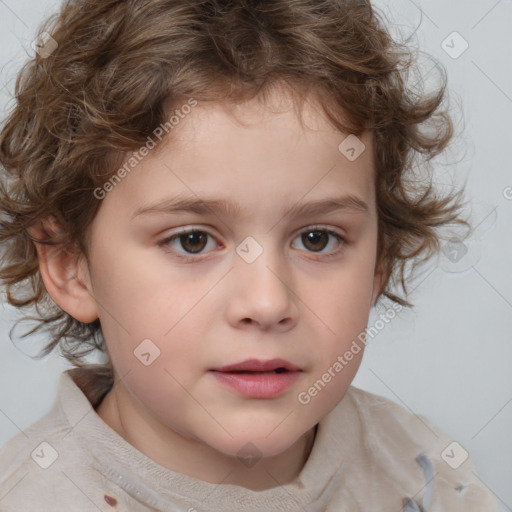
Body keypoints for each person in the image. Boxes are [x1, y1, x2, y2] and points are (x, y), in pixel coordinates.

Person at [0, 0, 502, 510]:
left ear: (379, 263)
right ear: (71, 267)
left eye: (317, 239)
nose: (266, 302)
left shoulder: (428, 476)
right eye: (192, 240)